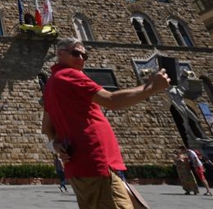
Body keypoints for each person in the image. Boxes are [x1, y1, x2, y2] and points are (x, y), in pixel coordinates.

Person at [41, 37, 170, 209]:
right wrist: (151, 87)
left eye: (84, 56)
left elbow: (46, 127)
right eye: (75, 53)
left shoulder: (51, 83)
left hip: (81, 168)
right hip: (96, 162)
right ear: (60, 54)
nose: (81, 59)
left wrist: (55, 145)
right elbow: (112, 100)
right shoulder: (71, 75)